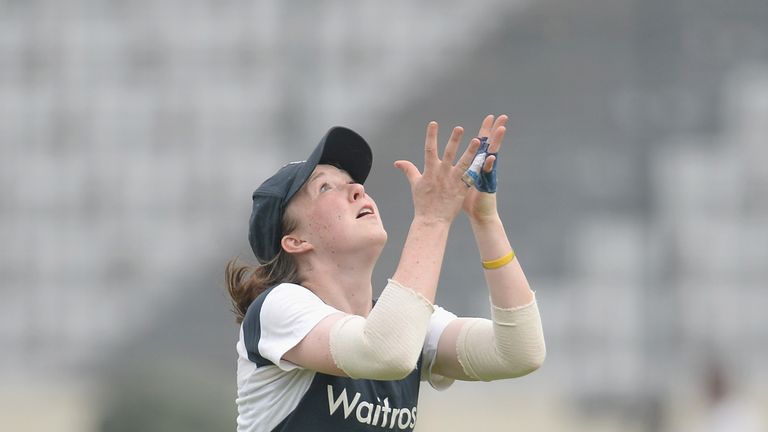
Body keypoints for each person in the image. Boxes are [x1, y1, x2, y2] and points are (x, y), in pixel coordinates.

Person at [225, 115, 546, 432]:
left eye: (350, 181)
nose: (357, 189)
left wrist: (485, 220)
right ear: (295, 241)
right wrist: (431, 219)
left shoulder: (403, 324)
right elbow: (386, 352)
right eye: (324, 187)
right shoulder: (279, 307)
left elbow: (518, 352)